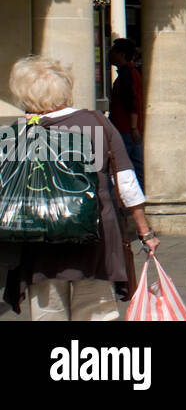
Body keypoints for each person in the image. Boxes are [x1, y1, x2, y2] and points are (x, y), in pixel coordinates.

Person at [0, 56, 160, 320]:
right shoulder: (96, 123)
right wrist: (145, 231)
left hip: (41, 240)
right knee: (95, 312)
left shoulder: (21, 132)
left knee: (48, 312)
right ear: (65, 89)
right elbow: (127, 183)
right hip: (94, 238)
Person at [107, 38, 144, 183]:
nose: (110, 54)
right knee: (134, 165)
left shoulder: (128, 74)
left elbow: (131, 101)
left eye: (113, 51)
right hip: (127, 128)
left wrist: (133, 127)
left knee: (123, 166)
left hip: (125, 128)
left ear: (121, 54)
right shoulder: (129, 73)